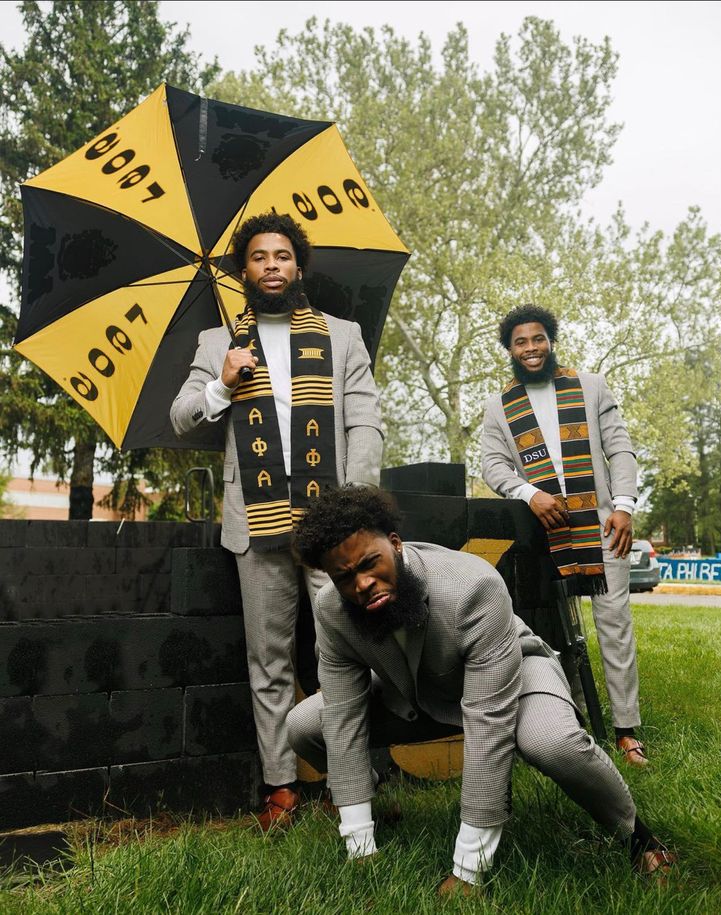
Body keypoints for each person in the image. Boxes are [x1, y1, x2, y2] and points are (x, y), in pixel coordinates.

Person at [287, 486, 675, 894]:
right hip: (420, 691)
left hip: (515, 673)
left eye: (370, 563)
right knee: (303, 725)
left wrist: (468, 870)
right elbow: (343, 717)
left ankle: (637, 833)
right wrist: (359, 845)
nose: (363, 584)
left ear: (396, 545)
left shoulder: (472, 585)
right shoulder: (332, 608)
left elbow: (488, 726)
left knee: (551, 743)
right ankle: (369, 801)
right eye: (344, 577)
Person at [170, 213, 383, 828]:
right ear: (245, 271)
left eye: (283, 255)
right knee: (270, 663)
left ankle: (352, 786)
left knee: (345, 654)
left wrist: (354, 507)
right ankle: (280, 785)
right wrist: (221, 386)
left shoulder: (342, 336)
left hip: (331, 526)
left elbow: (365, 422)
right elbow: (183, 416)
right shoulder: (219, 344)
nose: (272, 265)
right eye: (260, 256)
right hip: (254, 521)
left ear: (298, 266)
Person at [480, 304, 647, 766]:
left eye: (538, 339)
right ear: (509, 350)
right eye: (520, 342)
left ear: (551, 341)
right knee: (550, 631)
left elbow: (621, 449)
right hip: (544, 532)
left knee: (614, 626)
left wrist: (625, 506)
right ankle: (564, 720)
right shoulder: (500, 405)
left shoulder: (590, 386)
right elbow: (493, 465)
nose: (531, 349)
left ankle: (626, 730)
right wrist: (528, 492)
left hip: (602, 524)